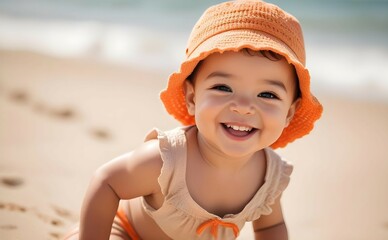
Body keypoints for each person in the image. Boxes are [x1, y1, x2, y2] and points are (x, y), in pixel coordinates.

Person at [63, 0, 322, 239]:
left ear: (289, 112)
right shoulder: (167, 160)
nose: (243, 107)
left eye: (267, 94)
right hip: (126, 232)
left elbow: (271, 226)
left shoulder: (269, 176)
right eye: (223, 87)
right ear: (192, 97)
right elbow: (106, 181)